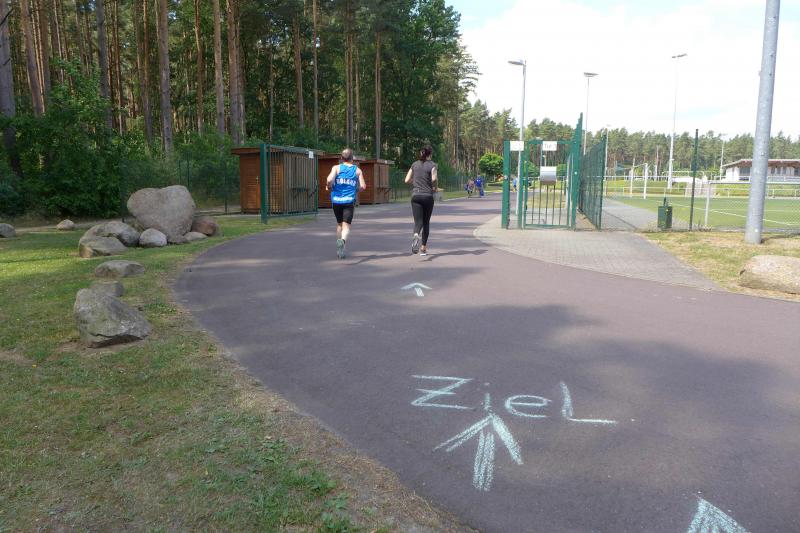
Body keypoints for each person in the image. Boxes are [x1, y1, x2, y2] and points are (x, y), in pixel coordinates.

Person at [326, 148, 366, 259]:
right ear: (352, 158)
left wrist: (328, 185)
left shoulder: (336, 168)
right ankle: (343, 241)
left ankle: (340, 250)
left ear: (341, 158)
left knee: (339, 224)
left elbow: (329, 180)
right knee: (346, 226)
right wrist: (355, 190)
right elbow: (363, 186)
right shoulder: (357, 171)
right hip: (349, 201)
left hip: (336, 201)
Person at [404, 144, 437, 256]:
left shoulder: (414, 164)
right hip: (427, 196)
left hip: (416, 196)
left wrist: (415, 182)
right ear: (430, 154)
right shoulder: (432, 165)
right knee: (426, 222)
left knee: (418, 222)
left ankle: (416, 235)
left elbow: (406, 180)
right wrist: (435, 188)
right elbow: (434, 179)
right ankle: (423, 248)